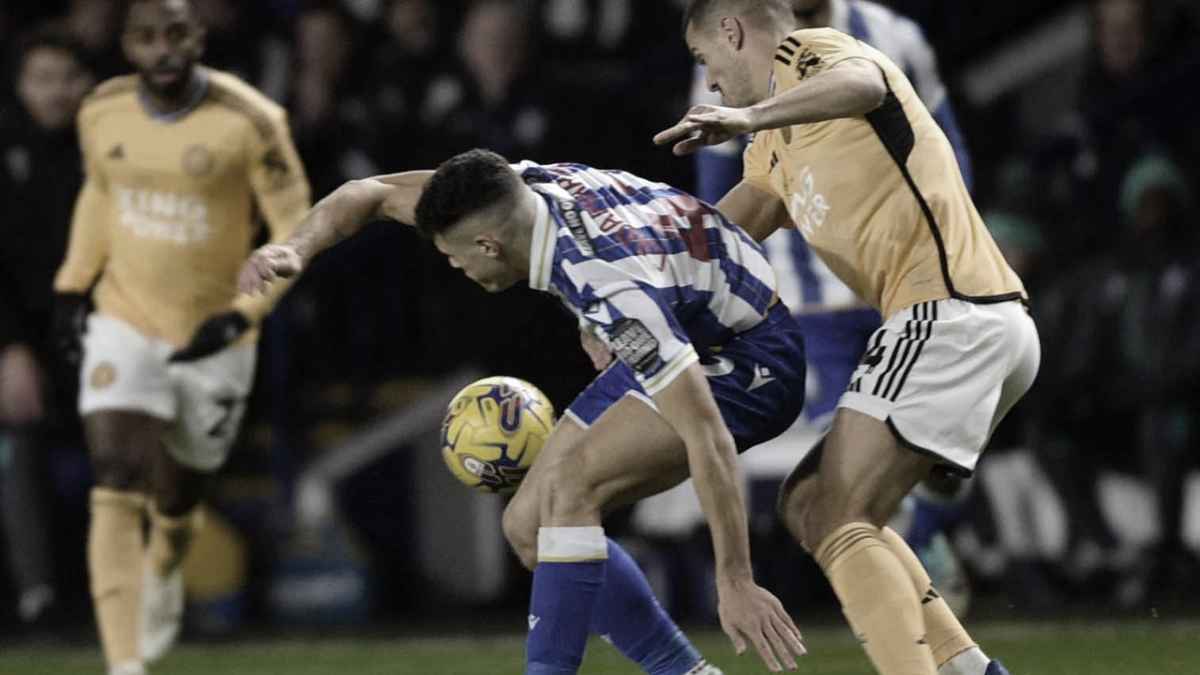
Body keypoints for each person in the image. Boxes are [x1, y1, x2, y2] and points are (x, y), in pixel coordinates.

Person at [239, 149, 809, 674]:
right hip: (688, 323)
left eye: (450, 255)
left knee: (569, 492)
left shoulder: (609, 286)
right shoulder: (524, 187)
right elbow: (365, 193)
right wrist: (294, 247)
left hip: (751, 360)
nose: (453, 266)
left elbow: (705, 432)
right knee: (528, 527)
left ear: (487, 245)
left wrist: (735, 578)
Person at [656, 2, 1039, 674]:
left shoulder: (814, 52)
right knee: (813, 504)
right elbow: (712, 246)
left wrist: (748, 115)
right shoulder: (773, 152)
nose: (710, 82)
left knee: (837, 510)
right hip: (957, 325)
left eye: (703, 60)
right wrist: (620, 285)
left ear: (733, 32)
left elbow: (864, 84)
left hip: (952, 314)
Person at [51, 1, 310, 673]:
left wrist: (246, 313)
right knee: (115, 470)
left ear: (199, 35)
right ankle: (125, 663)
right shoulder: (100, 109)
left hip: (214, 337)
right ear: (126, 44)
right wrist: (74, 285)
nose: (162, 48)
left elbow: (295, 226)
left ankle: (164, 559)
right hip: (125, 317)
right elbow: (101, 194)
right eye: (146, 36)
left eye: (176, 33)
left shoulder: (253, 119)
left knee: (177, 495)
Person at [0, 27, 95, 634]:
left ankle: (132, 592)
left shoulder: (112, 156)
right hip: (22, 343)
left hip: (103, 335)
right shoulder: (6, 156)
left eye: (67, 78)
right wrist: (9, 349)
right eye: (43, 79)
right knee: (18, 448)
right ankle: (34, 595)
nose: (56, 92)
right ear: (20, 85)